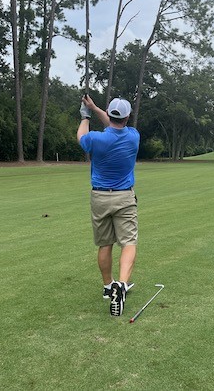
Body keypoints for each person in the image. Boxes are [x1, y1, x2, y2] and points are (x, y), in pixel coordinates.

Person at [76, 94, 140, 317]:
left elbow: (81, 137)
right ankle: (120, 286)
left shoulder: (96, 139)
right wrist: (94, 108)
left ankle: (107, 286)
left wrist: (86, 115)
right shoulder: (133, 136)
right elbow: (114, 125)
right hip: (124, 197)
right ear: (128, 117)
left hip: (100, 197)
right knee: (128, 243)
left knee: (105, 244)